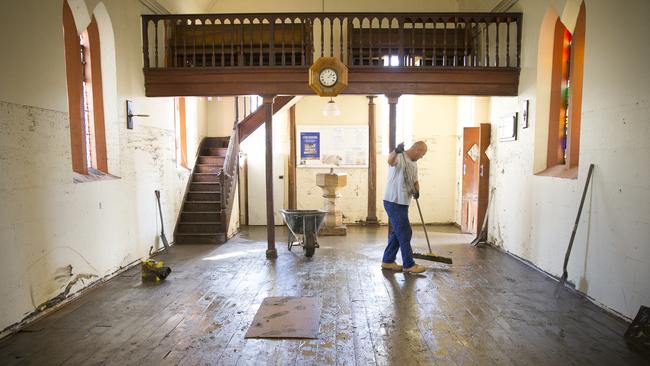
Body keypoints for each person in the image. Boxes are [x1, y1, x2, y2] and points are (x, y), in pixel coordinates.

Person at [381, 141, 428, 273]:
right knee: (405, 232)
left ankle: (388, 261)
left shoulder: (414, 163)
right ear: (417, 150)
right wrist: (396, 151)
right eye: (422, 154)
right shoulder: (400, 157)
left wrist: (417, 190)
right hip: (393, 201)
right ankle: (409, 264)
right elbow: (390, 161)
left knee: (398, 232)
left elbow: (415, 180)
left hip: (403, 202)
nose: (422, 157)